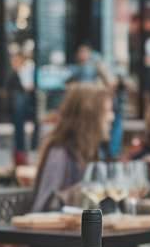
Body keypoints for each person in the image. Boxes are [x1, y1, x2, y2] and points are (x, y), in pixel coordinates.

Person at [32, 84, 114, 212]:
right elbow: (43, 207)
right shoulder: (61, 153)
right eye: (106, 111)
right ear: (89, 116)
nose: (111, 117)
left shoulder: (92, 152)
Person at [6, 47, 36, 166]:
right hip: (17, 109)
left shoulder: (27, 71)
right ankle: (20, 155)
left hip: (25, 108)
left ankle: (25, 153)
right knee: (18, 132)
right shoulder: (14, 75)